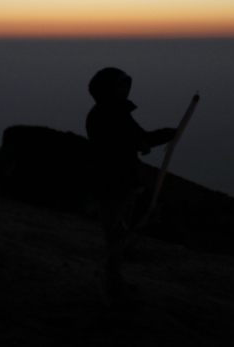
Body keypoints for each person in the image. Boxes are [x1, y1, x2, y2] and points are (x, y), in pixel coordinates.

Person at [85, 67, 175, 300]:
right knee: (114, 238)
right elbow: (120, 144)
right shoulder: (104, 115)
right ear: (108, 89)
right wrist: (144, 143)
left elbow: (137, 139)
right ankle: (111, 287)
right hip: (110, 185)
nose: (125, 90)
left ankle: (115, 283)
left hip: (122, 183)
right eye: (120, 86)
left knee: (119, 236)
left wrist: (165, 135)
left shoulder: (117, 113)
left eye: (127, 86)